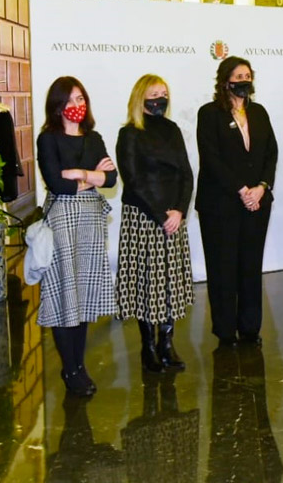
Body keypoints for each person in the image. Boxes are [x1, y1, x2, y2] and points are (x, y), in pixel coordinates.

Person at [36, 76, 117, 397]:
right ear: (57, 106)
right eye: (69, 101)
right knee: (63, 296)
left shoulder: (93, 138)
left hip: (90, 221)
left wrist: (81, 174)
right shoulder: (48, 139)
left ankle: (79, 365)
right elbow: (58, 185)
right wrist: (91, 177)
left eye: (80, 99)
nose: (76, 106)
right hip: (62, 221)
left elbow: (109, 179)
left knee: (83, 296)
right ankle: (69, 368)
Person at [196, 57, 278, 348]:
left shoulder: (259, 113)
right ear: (225, 81)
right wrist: (242, 189)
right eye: (238, 75)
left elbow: (271, 153)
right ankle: (226, 331)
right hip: (221, 205)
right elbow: (211, 158)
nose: (244, 80)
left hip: (257, 202)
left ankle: (250, 327)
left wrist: (261, 188)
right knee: (223, 267)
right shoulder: (209, 114)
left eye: (248, 75)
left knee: (250, 266)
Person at [115, 74, 196, 373]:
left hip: (173, 217)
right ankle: (148, 345)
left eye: (164, 93)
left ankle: (167, 343)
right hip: (144, 218)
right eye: (154, 94)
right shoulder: (130, 134)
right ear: (140, 98)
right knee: (147, 283)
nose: (160, 98)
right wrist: (161, 215)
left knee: (170, 283)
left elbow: (186, 174)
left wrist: (179, 211)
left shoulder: (172, 130)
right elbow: (133, 182)